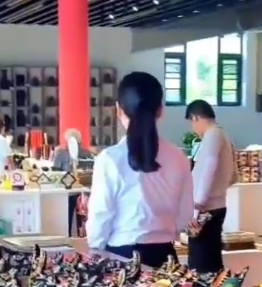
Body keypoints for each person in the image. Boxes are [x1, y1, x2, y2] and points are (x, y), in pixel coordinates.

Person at [86, 72, 194, 267]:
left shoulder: (109, 159)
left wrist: (95, 247)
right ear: (160, 110)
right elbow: (185, 214)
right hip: (166, 258)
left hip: (121, 258)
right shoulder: (179, 157)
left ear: (118, 110)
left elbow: (101, 215)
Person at [185, 99, 237, 274]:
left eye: (192, 123)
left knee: (201, 264)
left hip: (205, 208)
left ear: (195, 117)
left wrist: (196, 205)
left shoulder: (212, 135)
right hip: (218, 205)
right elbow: (234, 176)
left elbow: (208, 169)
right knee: (212, 261)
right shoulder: (224, 135)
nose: (193, 129)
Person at [52, 129, 93, 236]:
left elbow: (55, 173)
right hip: (84, 191)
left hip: (68, 191)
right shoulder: (88, 154)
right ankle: (82, 235)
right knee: (83, 218)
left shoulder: (61, 154)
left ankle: (68, 235)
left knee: (67, 217)